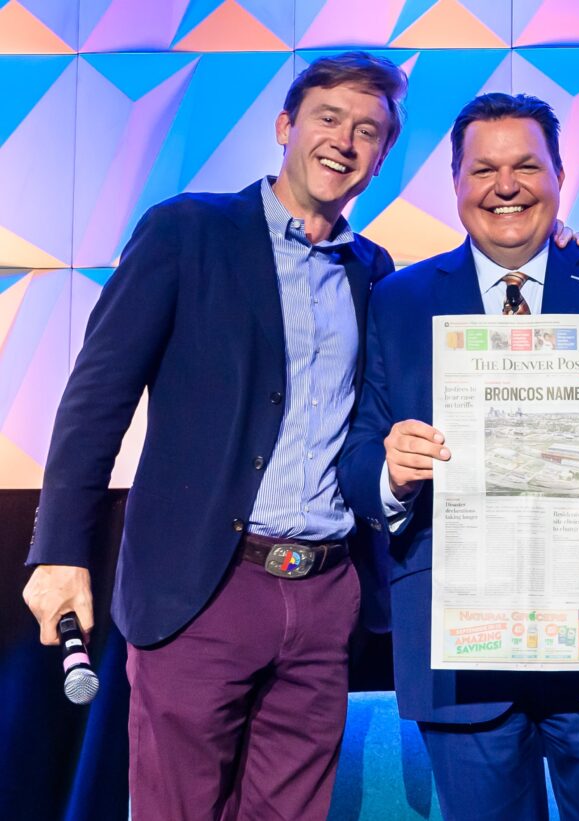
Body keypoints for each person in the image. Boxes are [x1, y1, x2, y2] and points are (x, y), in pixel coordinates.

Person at [21, 53, 407, 820]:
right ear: (285, 126)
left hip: (326, 589)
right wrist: (60, 549)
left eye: (370, 130)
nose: (345, 141)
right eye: (329, 118)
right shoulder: (186, 232)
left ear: (384, 155)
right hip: (204, 583)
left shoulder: (374, 270)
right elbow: (97, 398)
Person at [339, 92, 579, 821]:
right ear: (454, 184)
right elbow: (358, 451)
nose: (504, 186)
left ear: (560, 175)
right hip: (462, 645)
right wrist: (390, 470)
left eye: (525, 166)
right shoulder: (398, 300)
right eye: (482, 169)